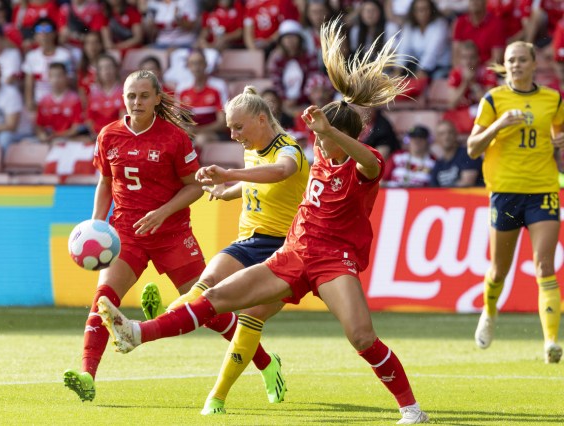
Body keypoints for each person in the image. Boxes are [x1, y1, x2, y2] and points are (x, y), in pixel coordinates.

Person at [96, 18, 430, 424]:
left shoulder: (364, 165)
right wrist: (231, 188)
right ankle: (137, 334)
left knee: (361, 337)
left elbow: (358, 159)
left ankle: (411, 409)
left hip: (333, 260)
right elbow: (279, 177)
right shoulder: (319, 155)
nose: (319, 146)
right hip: (292, 252)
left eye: (324, 140)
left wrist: (332, 133)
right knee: (215, 298)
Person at [62, 69, 280, 403]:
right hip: (126, 234)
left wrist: (162, 213)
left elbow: (194, 187)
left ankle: (266, 364)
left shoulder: (174, 138)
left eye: (144, 96)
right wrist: (97, 225)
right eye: (131, 96)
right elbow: (106, 181)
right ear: (123, 98)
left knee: (209, 310)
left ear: (157, 99)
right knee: (103, 299)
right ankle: (87, 374)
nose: (136, 102)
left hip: (172, 235)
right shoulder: (108, 136)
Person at [142, 83, 310, 413]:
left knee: (250, 316)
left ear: (262, 120)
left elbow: (282, 172)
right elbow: (255, 181)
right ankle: (160, 318)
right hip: (249, 242)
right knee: (204, 289)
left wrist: (229, 172)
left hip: (286, 250)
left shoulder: (289, 149)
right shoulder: (253, 148)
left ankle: (217, 396)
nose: (233, 135)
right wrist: (227, 191)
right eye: (230, 127)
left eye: (238, 127)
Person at [467, 41, 564, 364]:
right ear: (504, 64)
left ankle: (551, 341)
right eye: (511, 60)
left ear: (535, 63)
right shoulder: (493, 99)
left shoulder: (552, 98)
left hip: (543, 189)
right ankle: (490, 312)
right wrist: (499, 124)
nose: (517, 65)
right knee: (499, 270)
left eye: (523, 60)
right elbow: (472, 148)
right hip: (505, 192)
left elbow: (557, 135)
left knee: (544, 266)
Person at [430, 120, 482, 187]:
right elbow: (433, 189)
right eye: (442, 134)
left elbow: (467, 183)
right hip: (445, 197)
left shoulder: (468, 154)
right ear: (436, 139)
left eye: (450, 132)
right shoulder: (438, 164)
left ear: (456, 134)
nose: (446, 137)